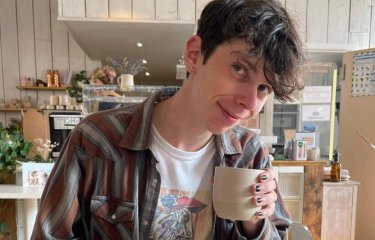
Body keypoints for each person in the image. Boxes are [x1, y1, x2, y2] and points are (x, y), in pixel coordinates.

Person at [31, 0, 304, 239]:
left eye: (264, 88)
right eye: (240, 69)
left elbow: (278, 234)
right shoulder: (95, 140)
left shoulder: (250, 154)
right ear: (194, 55)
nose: (251, 103)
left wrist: (254, 225)